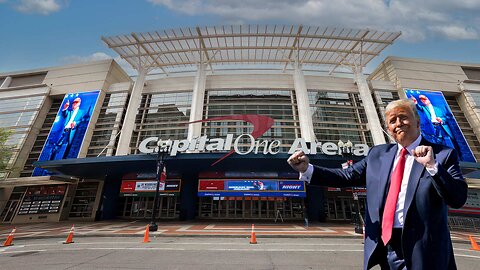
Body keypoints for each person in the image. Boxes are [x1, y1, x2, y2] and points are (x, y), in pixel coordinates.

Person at [287, 99, 467, 270]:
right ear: (389, 129)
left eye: (403, 117)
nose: (399, 123)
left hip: (425, 249)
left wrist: (432, 166)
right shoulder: (378, 154)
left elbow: (457, 198)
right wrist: (307, 168)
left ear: (418, 122)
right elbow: (345, 176)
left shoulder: (443, 155)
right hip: (386, 246)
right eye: (393, 120)